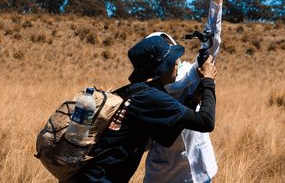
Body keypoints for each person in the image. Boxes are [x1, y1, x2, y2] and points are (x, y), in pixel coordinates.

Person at [71, 36, 218, 183]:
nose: (176, 64)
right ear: (162, 68)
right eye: (173, 60)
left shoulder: (134, 92)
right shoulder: (150, 97)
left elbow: (165, 137)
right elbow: (206, 122)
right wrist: (208, 81)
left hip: (86, 176)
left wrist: (194, 100)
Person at [144, 0, 223, 183]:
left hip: (200, 170)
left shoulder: (189, 74)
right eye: (170, 59)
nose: (177, 61)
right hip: (165, 176)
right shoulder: (147, 95)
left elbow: (211, 41)